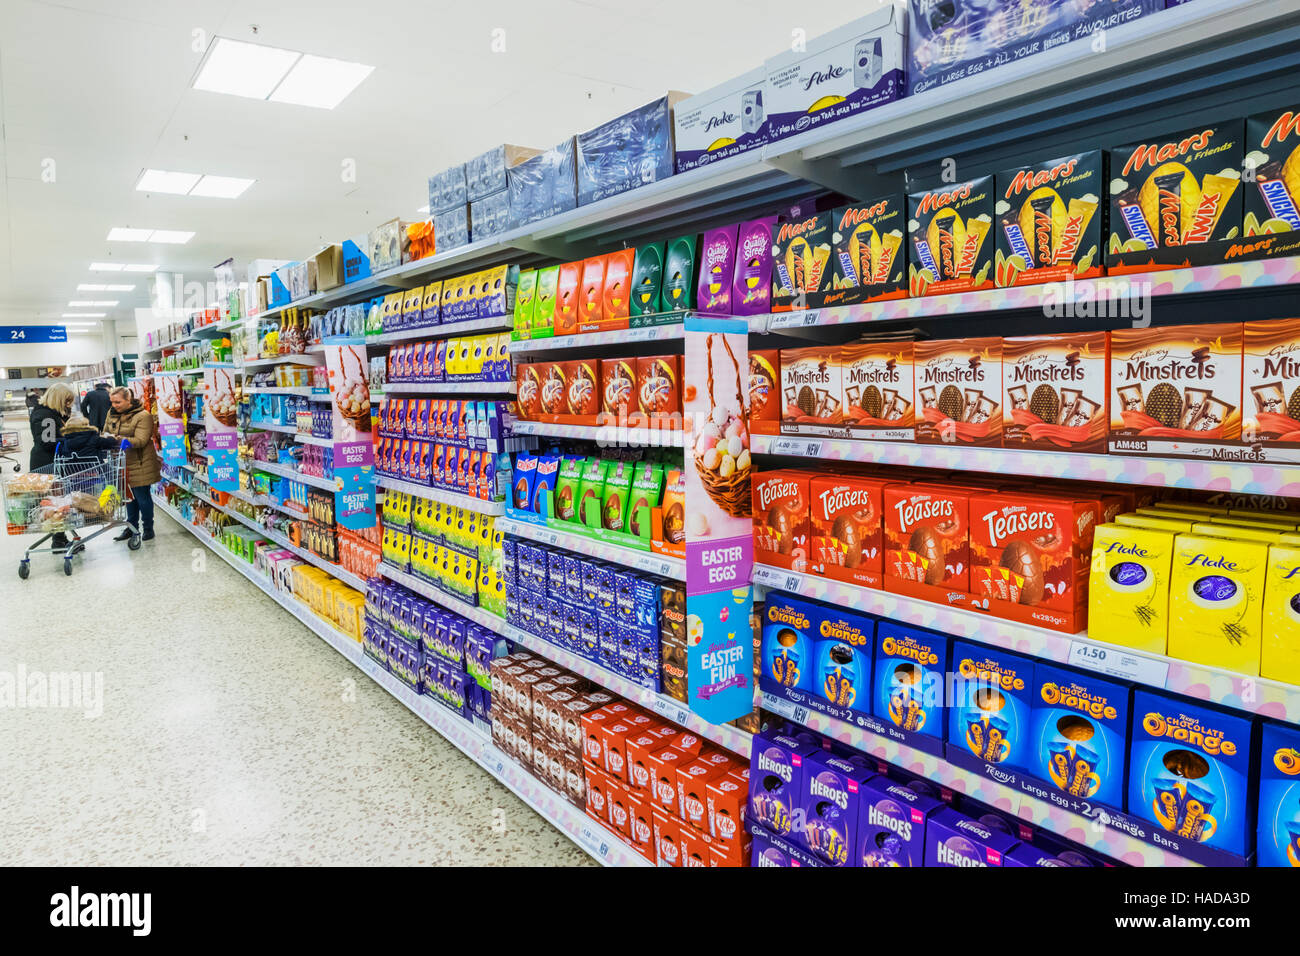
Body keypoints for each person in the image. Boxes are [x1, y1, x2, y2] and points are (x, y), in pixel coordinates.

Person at [103, 386, 160, 542]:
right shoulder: (112, 413)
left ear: (129, 400)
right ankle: (131, 527)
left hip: (140, 462)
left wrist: (118, 439)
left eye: (118, 402)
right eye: (112, 402)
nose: (114, 405)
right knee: (129, 498)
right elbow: (105, 431)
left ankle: (148, 529)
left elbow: (141, 440)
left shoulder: (143, 416)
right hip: (120, 463)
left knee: (142, 497)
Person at [29, 382, 76, 551]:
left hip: (48, 461)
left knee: (56, 503)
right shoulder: (46, 416)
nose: (68, 405)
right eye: (67, 401)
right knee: (54, 503)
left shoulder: (47, 412)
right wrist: (74, 440)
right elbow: (48, 442)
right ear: (59, 399)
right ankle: (59, 540)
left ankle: (60, 539)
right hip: (47, 463)